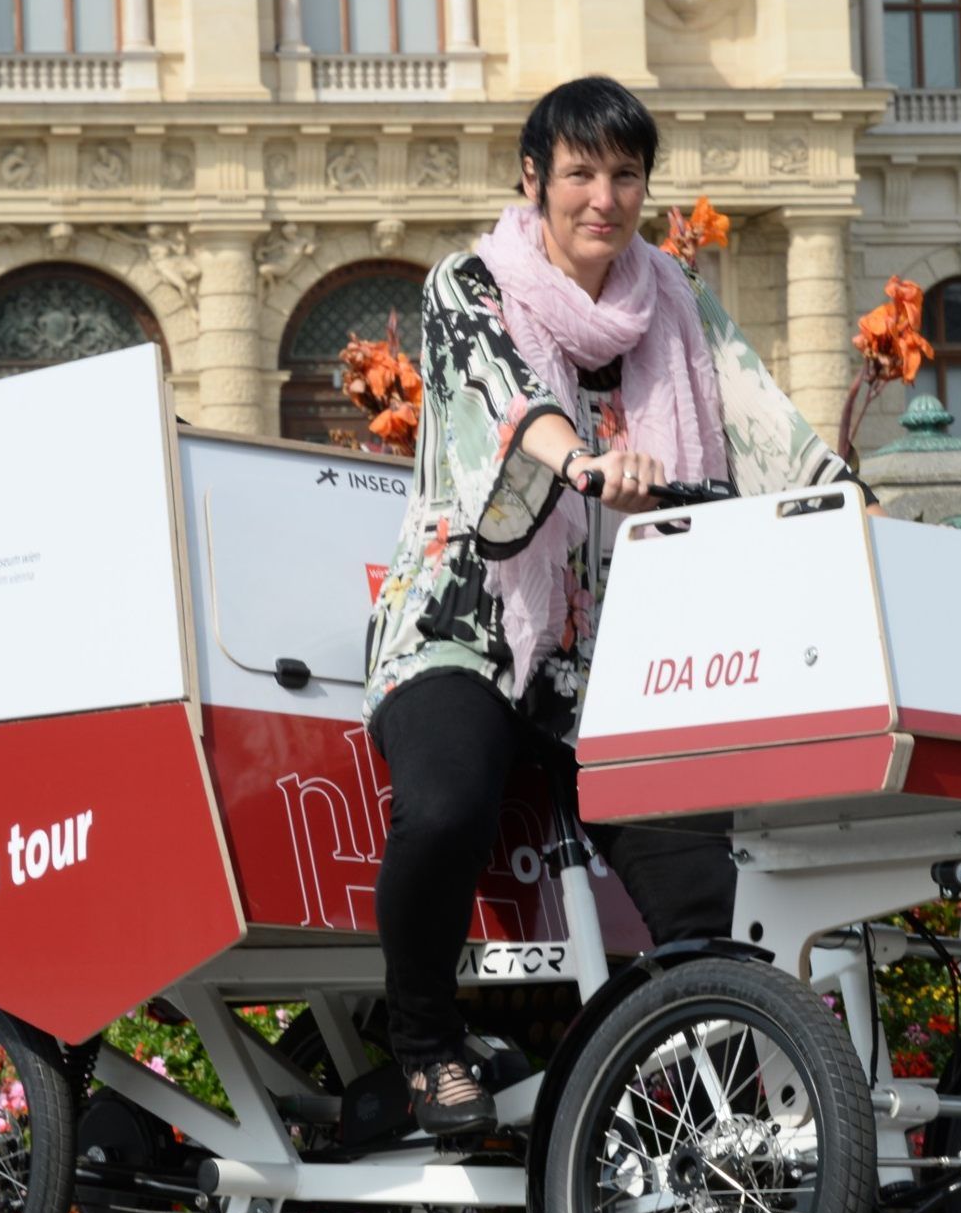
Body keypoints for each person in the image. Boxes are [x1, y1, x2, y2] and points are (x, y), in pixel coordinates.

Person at [362, 76, 869, 1134]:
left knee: (700, 886)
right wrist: (583, 464)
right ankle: (422, 1043)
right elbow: (506, 407)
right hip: (467, 623)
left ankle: (710, 1117)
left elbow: (766, 425)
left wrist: (854, 508)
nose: (604, 197)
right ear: (533, 180)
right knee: (446, 805)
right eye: (580, 173)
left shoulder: (674, 299)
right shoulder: (470, 282)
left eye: (626, 175)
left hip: (618, 651)